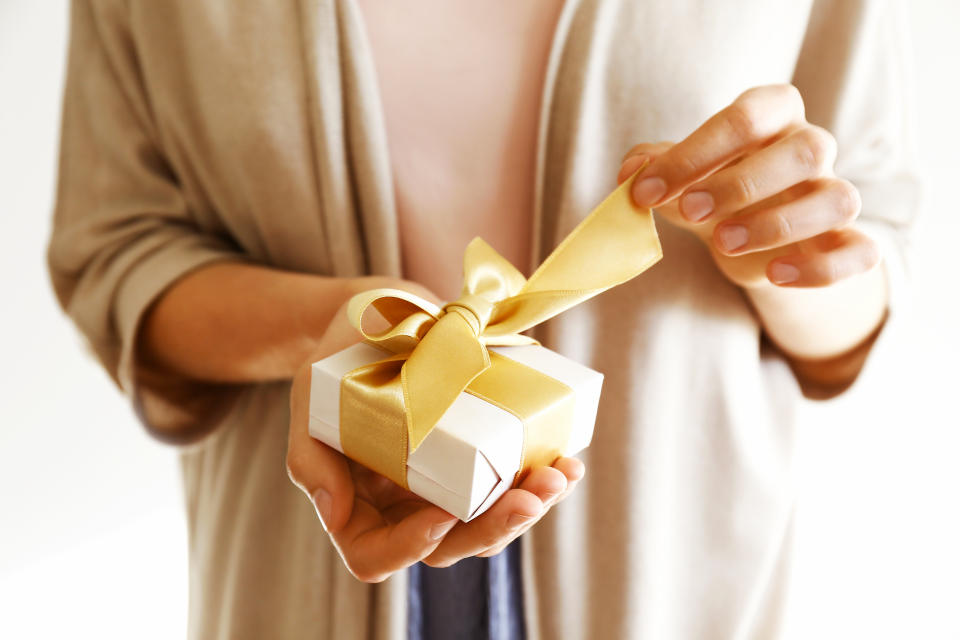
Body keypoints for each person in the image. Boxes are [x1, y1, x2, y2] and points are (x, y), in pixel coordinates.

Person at [48, 0, 916, 638]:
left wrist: (782, 250)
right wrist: (334, 328)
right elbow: (115, 250)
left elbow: (868, 267)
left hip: (675, 577)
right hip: (300, 573)